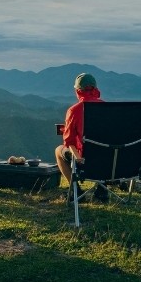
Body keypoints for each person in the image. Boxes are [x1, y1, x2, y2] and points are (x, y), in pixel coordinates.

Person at [55, 72, 108, 201]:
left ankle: (76, 191)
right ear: (95, 89)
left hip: (85, 160)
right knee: (103, 148)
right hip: (108, 160)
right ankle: (102, 192)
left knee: (58, 150)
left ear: (78, 91)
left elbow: (68, 141)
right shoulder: (108, 108)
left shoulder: (75, 110)